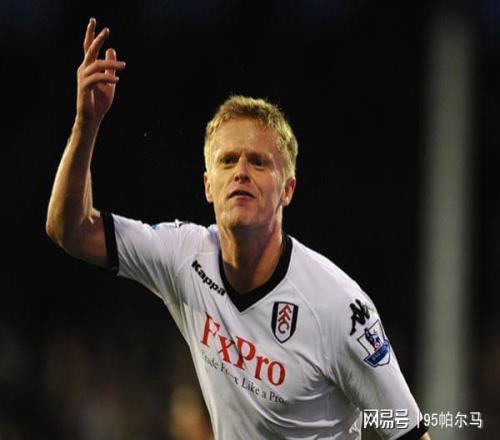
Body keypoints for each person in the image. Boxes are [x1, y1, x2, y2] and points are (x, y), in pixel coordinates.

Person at [46, 18, 431, 440]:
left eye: (258, 162)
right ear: (208, 185)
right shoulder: (184, 256)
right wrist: (87, 123)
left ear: (288, 190)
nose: (241, 172)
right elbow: (71, 229)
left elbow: (411, 433)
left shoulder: (338, 308)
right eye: (228, 161)